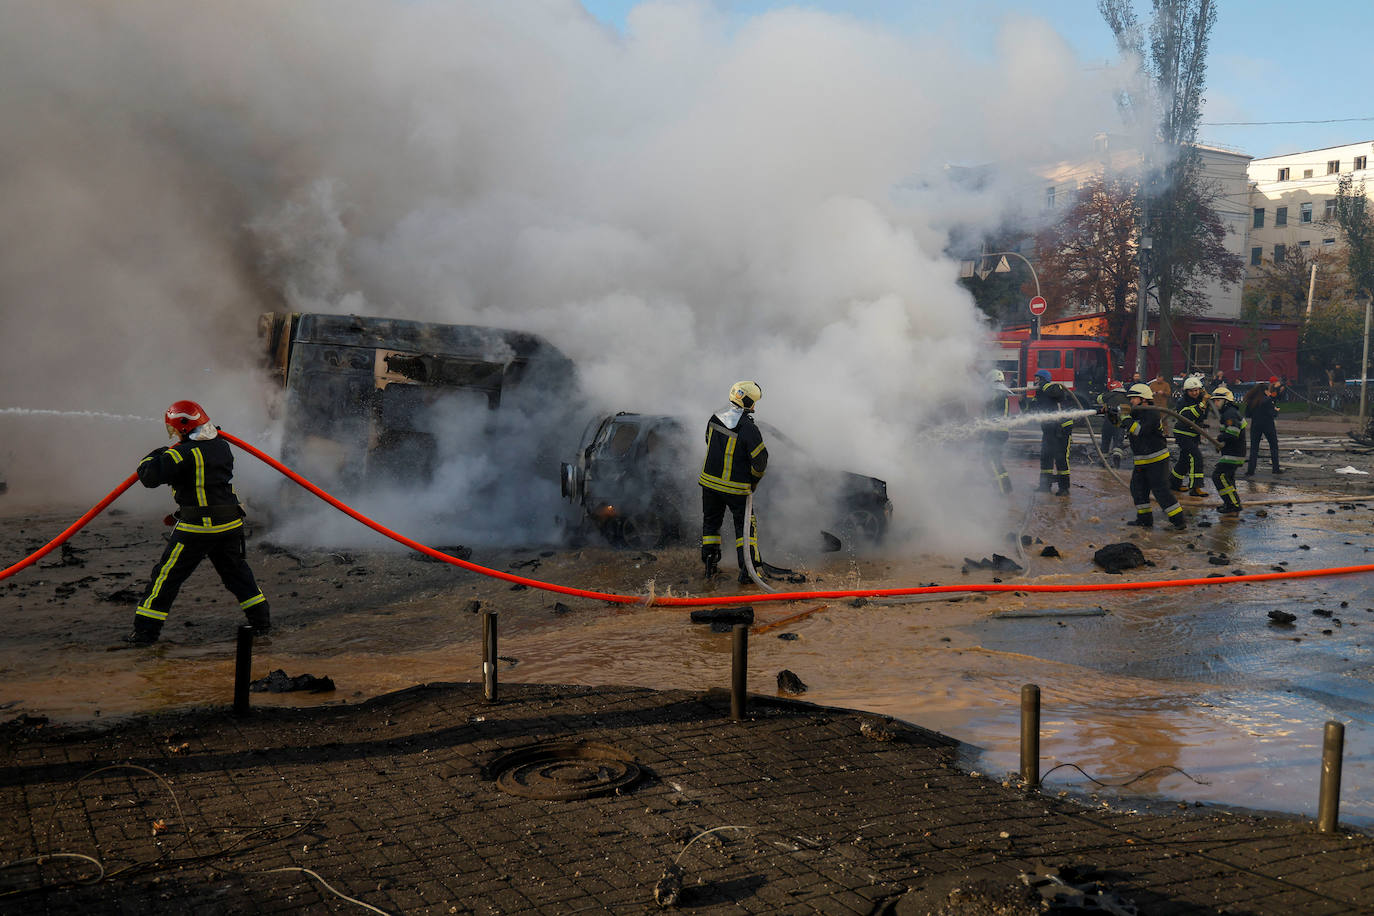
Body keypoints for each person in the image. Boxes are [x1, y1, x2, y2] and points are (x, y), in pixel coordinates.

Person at [125, 401, 270, 644]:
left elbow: (149, 476)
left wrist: (153, 455)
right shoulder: (222, 446)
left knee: (165, 578)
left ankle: (145, 634)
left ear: (184, 427)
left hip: (198, 528)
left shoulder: (180, 454)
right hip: (230, 523)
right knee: (237, 574)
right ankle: (262, 623)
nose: (173, 435)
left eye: (174, 430)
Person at [698, 380, 769, 585]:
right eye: (754, 402)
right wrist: (753, 482)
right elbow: (760, 462)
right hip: (736, 489)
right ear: (748, 402)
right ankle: (749, 571)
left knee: (711, 525)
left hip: (709, 484)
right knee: (745, 528)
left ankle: (710, 566)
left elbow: (708, 442)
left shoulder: (714, 418)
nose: (755, 406)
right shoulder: (748, 428)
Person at [1109, 383, 1186, 530]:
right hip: (1141, 461)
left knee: (1161, 491)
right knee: (1137, 489)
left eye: (1133, 398)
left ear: (1144, 399)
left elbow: (1138, 430)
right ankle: (1144, 520)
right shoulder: (1135, 413)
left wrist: (1125, 417)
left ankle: (1178, 521)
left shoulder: (1152, 413)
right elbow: (1122, 424)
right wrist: (1112, 415)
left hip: (1156, 460)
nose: (1130, 401)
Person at [1029, 369, 1072, 495]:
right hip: (1048, 429)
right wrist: (1021, 401)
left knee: (1061, 457)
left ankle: (1064, 488)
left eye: (1037, 379)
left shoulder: (1054, 388)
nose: (1035, 381)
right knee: (1046, 456)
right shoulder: (1039, 394)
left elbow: (1058, 393)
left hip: (1062, 428)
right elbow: (1031, 409)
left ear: (1044, 379)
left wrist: (1044, 385)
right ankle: (1045, 486)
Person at [1210, 386, 1247, 514]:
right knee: (1228, 478)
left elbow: (1233, 433)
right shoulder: (1228, 413)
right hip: (1233, 452)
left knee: (1218, 476)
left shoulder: (1230, 414)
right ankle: (1231, 503)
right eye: (1214, 400)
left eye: (1218, 400)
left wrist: (1219, 438)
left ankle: (1233, 504)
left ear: (1226, 401)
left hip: (1233, 453)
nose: (1215, 403)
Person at [1171, 376, 1209, 497]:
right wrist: (1202, 404)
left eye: (1197, 390)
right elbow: (1186, 416)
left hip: (1194, 434)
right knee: (1196, 457)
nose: (1195, 393)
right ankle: (1195, 487)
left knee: (1184, 460)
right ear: (1186, 391)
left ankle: (1173, 483)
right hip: (1183, 434)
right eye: (1192, 390)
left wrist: (1204, 402)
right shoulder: (1182, 401)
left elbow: (1203, 416)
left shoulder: (1199, 400)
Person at [1243, 376, 1285, 476]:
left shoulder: (1252, 401)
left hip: (1255, 425)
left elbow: (1247, 414)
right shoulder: (1267, 400)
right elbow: (1272, 414)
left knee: (1254, 448)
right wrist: (1275, 410)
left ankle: (1251, 470)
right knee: (1273, 446)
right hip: (1268, 425)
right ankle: (1276, 468)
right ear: (1265, 391)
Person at [984, 369, 1014, 494]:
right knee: (989, 460)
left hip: (996, 432)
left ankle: (1002, 490)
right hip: (996, 431)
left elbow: (994, 410)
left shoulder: (998, 394)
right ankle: (1006, 487)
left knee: (992, 460)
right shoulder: (999, 394)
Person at [1096, 380, 1128, 469]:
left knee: (1105, 441)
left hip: (1108, 421)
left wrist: (1105, 403)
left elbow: (1098, 399)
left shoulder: (1109, 395)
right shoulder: (1126, 396)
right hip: (1120, 422)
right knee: (1118, 442)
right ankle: (1116, 461)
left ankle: (1103, 461)